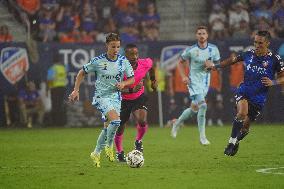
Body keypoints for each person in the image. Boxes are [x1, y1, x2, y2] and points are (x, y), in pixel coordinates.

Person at [205, 30, 284, 156]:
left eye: (260, 43)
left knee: (245, 128)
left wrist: (273, 82)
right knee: (242, 112)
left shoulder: (275, 59)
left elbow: (282, 77)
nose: (257, 45)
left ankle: (236, 141)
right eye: (255, 42)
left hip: (259, 98)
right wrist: (216, 66)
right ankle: (231, 142)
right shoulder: (249, 54)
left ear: (268, 43)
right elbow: (232, 60)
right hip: (244, 90)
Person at [68, 33, 135, 167]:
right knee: (116, 121)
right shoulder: (98, 61)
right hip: (101, 97)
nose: (116, 50)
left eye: (118, 47)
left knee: (108, 127)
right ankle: (108, 147)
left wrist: (124, 84)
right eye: (113, 46)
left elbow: (132, 78)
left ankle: (96, 153)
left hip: (116, 97)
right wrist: (76, 90)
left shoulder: (123, 61)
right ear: (107, 46)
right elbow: (82, 72)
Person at [170, 26, 221, 145]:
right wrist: (184, 76)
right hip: (193, 82)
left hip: (205, 83)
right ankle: (202, 137)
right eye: (199, 33)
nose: (201, 35)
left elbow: (218, 65)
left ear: (207, 35)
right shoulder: (191, 50)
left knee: (194, 109)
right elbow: (179, 62)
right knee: (203, 106)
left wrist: (212, 66)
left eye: (204, 33)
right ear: (196, 36)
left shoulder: (214, 49)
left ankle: (177, 123)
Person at [114, 43, 157, 162]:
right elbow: (116, 89)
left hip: (139, 97)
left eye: (136, 53)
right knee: (120, 127)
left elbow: (151, 67)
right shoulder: (119, 69)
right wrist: (131, 89)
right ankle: (119, 152)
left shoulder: (145, 63)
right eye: (131, 54)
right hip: (123, 100)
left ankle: (138, 141)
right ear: (125, 55)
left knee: (142, 120)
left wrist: (153, 81)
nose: (135, 56)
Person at [47, 54, 67, 126]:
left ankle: (55, 122)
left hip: (55, 89)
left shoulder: (52, 68)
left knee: (55, 105)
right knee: (61, 105)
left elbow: (49, 80)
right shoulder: (63, 68)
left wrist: (48, 89)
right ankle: (61, 122)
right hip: (63, 89)